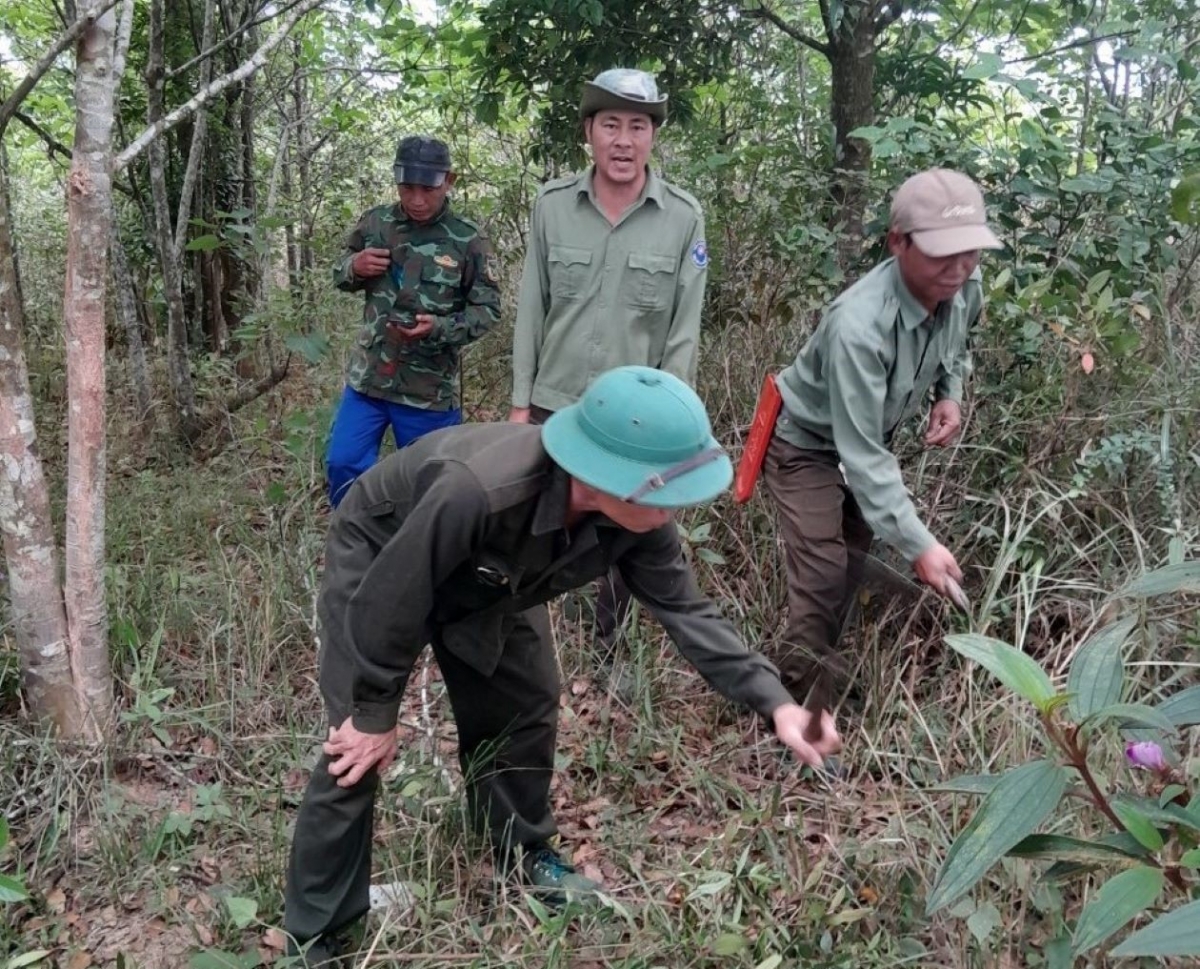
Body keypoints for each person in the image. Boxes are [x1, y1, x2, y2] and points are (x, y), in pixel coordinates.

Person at [285, 366, 841, 966]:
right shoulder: (475, 489)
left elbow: (688, 612)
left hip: (493, 576)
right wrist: (374, 710)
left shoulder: (641, 520)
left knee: (525, 703)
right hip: (385, 555)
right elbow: (392, 597)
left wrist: (778, 703)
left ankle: (520, 854)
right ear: (603, 477)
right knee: (354, 748)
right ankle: (319, 935)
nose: (672, 511)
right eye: (663, 494)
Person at [763, 168, 1003, 710]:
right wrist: (920, 545)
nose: (960, 267)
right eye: (944, 253)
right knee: (823, 573)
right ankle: (803, 719)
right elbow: (862, 456)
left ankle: (814, 666)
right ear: (898, 242)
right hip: (806, 445)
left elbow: (957, 343)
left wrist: (950, 393)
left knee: (847, 567)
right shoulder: (858, 326)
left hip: (867, 439)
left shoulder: (965, 285)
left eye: (971, 252)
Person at [508, 68, 708, 648]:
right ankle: (532, 641)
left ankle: (605, 646)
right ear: (589, 132)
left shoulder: (682, 217)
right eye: (611, 124)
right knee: (536, 524)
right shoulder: (552, 207)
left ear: (653, 137)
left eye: (638, 126)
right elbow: (531, 308)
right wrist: (520, 404)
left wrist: (672, 430)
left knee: (624, 536)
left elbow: (683, 332)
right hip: (555, 402)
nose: (624, 140)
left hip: (632, 419)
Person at [325, 135, 501, 507]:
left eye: (428, 188)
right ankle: (355, 538)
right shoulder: (376, 223)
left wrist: (439, 329)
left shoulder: (469, 240)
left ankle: (421, 553)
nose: (417, 200)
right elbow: (340, 270)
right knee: (343, 464)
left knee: (435, 484)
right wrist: (353, 267)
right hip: (368, 381)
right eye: (407, 188)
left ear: (449, 181)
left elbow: (488, 310)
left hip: (427, 390)